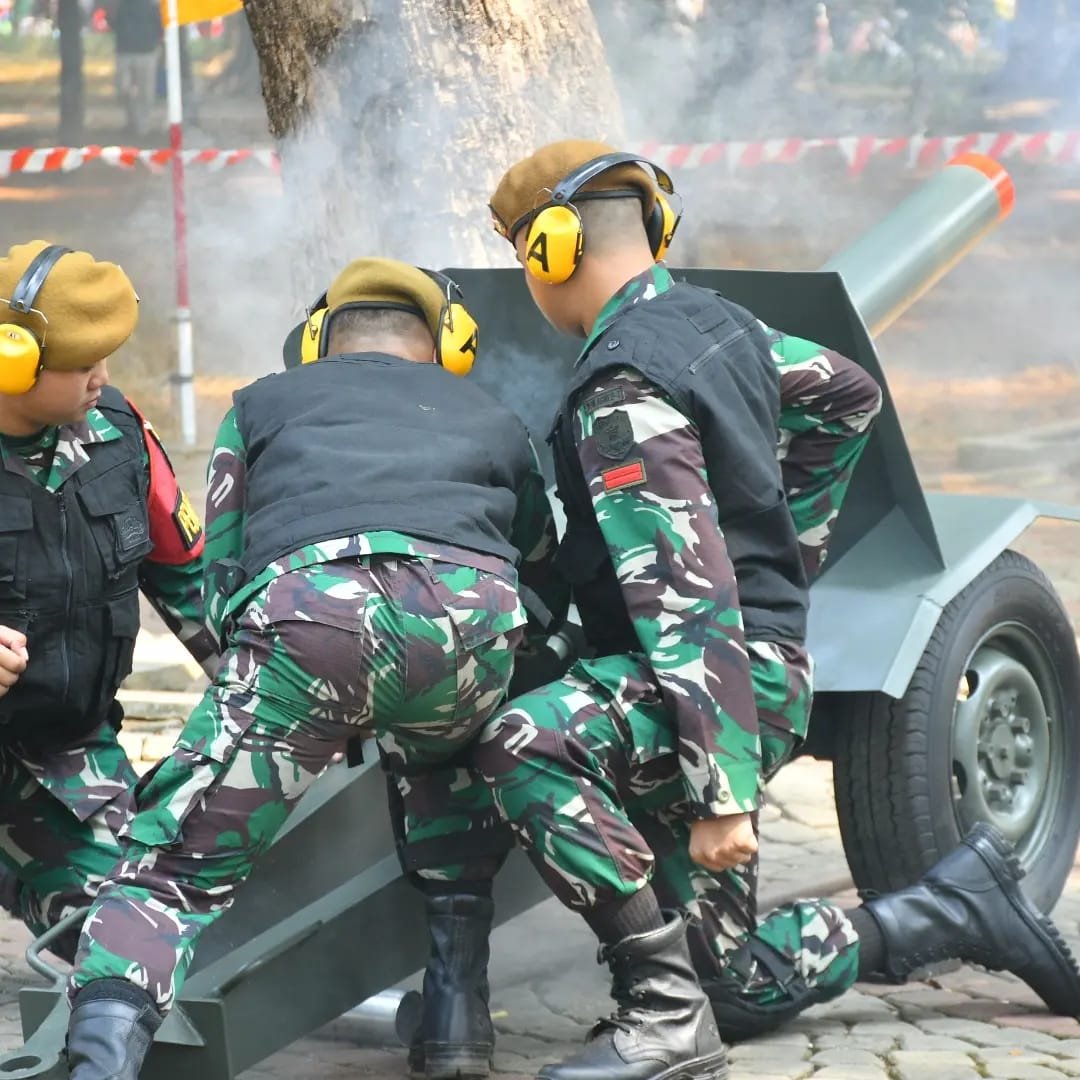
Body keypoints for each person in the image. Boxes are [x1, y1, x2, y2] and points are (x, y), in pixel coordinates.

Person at [468, 140, 1080, 1080]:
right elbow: (846, 395)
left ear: (551, 249)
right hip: (735, 681)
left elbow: (687, 604)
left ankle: (661, 1017)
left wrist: (721, 794)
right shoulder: (722, 326)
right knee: (738, 987)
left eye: (524, 255)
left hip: (704, 693)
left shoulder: (624, 390)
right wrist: (790, 545)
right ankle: (949, 908)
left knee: (526, 742)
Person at [62, 257, 566, 1080]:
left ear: (314, 342)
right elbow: (539, 557)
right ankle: (456, 1027)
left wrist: (286, 702)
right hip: (467, 631)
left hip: (310, 626)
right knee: (450, 773)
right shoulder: (495, 416)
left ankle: (98, 1065)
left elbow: (220, 571)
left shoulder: (261, 404)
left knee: (174, 868)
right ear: (449, 345)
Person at [0, 239, 215, 961]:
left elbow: (190, 584)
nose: (102, 378)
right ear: (12, 360)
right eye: (82, 364)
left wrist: (276, 700)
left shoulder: (118, 437)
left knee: (135, 929)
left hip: (60, 748)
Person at [108, 0, 161, 139]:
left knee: (145, 92)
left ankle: (142, 127)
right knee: (123, 89)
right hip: (125, 50)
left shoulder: (152, 4)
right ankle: (132, 121)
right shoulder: (121, 4)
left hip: (146, 51)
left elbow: (160, 24)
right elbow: (112, 21)